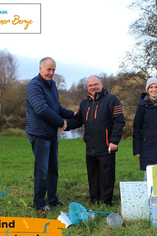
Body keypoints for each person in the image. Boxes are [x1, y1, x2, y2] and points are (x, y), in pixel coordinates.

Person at [62, 75, 125, 206]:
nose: (93, 87)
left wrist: (114, 141)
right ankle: (94, 200)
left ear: (101, 84)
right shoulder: (84, 103)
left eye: (95, 84)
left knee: (106, 176)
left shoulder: (112, 99)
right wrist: (66, 125)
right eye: (90, 85)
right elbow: (78, 120)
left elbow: (119, 122)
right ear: (87, 87)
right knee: (93, 175)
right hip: (90, 146)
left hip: (107, 145)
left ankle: (106, 202)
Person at [25, 57, 74, 212]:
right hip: (39, 135)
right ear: (40, 69)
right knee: (42, 171)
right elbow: (42, 109)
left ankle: (52, 199)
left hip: (51, 134)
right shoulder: (34, 85)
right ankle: (40, 203)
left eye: (53, 70)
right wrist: (61, 122)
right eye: (48, 69)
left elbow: (55, 107)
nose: (51, 73)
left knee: (54, 169)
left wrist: (71, 114)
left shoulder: (51, 85)